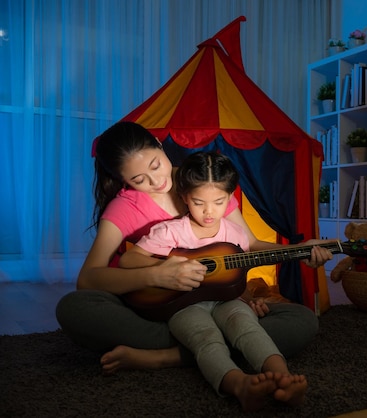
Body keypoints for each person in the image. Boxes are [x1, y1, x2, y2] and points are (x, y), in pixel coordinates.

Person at [56, 121, 332, 375]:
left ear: (158, 143)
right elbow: (88, 277)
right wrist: (157, 274)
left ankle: (167, 355)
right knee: (74, 308)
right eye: (138, 180)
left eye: (155, 165)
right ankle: (217, 344)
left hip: (215, 300)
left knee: (302, 320)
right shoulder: (126, 206)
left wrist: (300, 250)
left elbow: (249, 245)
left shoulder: (204, 183)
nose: (155, 182)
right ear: (123, 180)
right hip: (159, 307)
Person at [119, 151, 306, 410]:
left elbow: (234, 275)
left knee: (248, 326)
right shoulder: (171, 231)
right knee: (207, 338)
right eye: (198, 202)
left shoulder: (235, 234)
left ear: (230, 198)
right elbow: (129, 261)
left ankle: (284, 379)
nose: (209, 212)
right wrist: (167, 266)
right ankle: (238, 384)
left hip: (226, 300)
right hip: (182, 303)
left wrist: (249, 299)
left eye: (218, 202)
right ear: (184, 197)